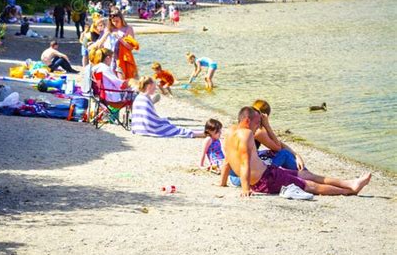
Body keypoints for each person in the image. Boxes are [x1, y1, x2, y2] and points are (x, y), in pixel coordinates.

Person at [221, 106, 372, 197]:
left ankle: (351, 183)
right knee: (309, 185)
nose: (258, 126)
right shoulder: (246, 134)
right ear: (247, 121)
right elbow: (245, 163)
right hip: (265, 181)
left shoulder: (229, 132)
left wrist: (222, 183)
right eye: (257, 122)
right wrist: (246, 189)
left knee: (307, 174)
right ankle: (349, 191)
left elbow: (227, 161)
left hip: (268, 173)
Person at [131, 77, 204, 138]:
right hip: (148, 128)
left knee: (170, 126)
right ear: (149, 86)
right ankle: (202, 133)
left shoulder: (139, 97)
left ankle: (201, 132)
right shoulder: (145, 99)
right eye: (154, 86)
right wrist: (162, 121)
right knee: (175, 130)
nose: (156, 88)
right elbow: (153, 120)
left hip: (138, 127)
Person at [251, 99, 305, 171]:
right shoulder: (258, 131)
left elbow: (279, 144)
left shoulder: (250, 124)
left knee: (271, 152)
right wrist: (267, 126)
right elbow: (278, 148)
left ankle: (306, 175)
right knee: (284, 154)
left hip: (240, 170)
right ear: (264, 116)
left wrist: (296, 155)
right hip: (244, 174)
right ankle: (305, 175)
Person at [93, 9, 139, 79]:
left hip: (122, 59)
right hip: (109, 59)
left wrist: (119, 38)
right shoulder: (108, 29)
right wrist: (106, 34)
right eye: (113, 21)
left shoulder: (128, 28)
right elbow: (99, 45)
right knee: (111, 80)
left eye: (117, 21)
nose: (115, 23)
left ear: (121, 19)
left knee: (122, 80)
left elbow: (131, 47)